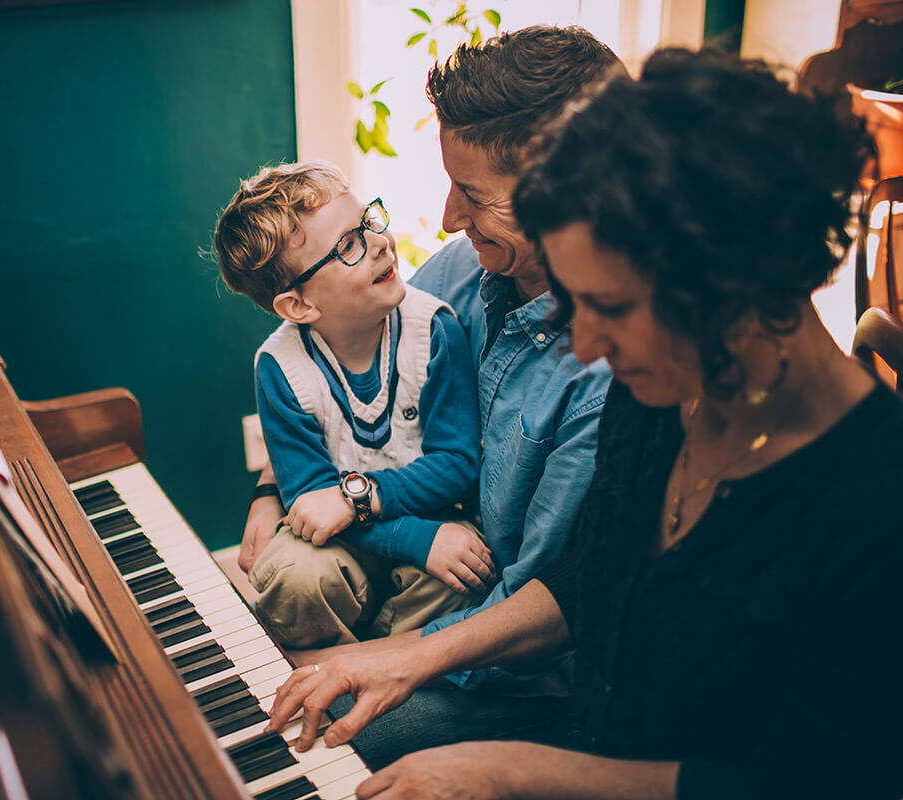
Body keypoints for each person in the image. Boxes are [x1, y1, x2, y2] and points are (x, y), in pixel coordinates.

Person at [266, 49, 903, 799]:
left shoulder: (873, 506)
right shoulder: (668, 391)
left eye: (609, 308)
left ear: (729, 282)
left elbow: (809, 781)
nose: (586, 345)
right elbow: (587, 580)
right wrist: (407, 658)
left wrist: (508, 770)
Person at [242, 26, 617, 689]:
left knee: (300, 733)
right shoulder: (461, 270)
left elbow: (549, 607)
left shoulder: (610, 369)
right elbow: (337, 364)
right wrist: (273, 492)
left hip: (496, 665)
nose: (446, 219)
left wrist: (356, 666)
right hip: (397, 575)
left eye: (472, 196)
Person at [213, 161, 491, 648]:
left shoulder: (434, 330)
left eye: (369, 221)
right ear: (299, 305)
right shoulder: (279, 369)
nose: (379, 242)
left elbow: (458, 464)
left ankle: (376, 659)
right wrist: (393, 534)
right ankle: (330, 653)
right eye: (347, 245)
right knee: (293, 576)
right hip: (342, 539)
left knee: (463, 568)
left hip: (430, 513)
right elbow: (310, 502)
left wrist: (373, 509)